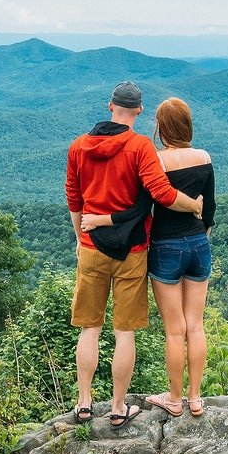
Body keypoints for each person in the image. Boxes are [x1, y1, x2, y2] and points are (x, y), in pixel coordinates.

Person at [65, 82, 204, 428]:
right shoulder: (140, 146)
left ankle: (84, 404)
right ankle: (117, 407)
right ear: (140, 112)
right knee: (125, 333)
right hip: (133, 251)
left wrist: (81, 236)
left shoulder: (79, 146)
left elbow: (74, 200)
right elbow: (162, 194)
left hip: (91, 247)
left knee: (89, 329)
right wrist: (195, 206)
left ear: (109, 106)